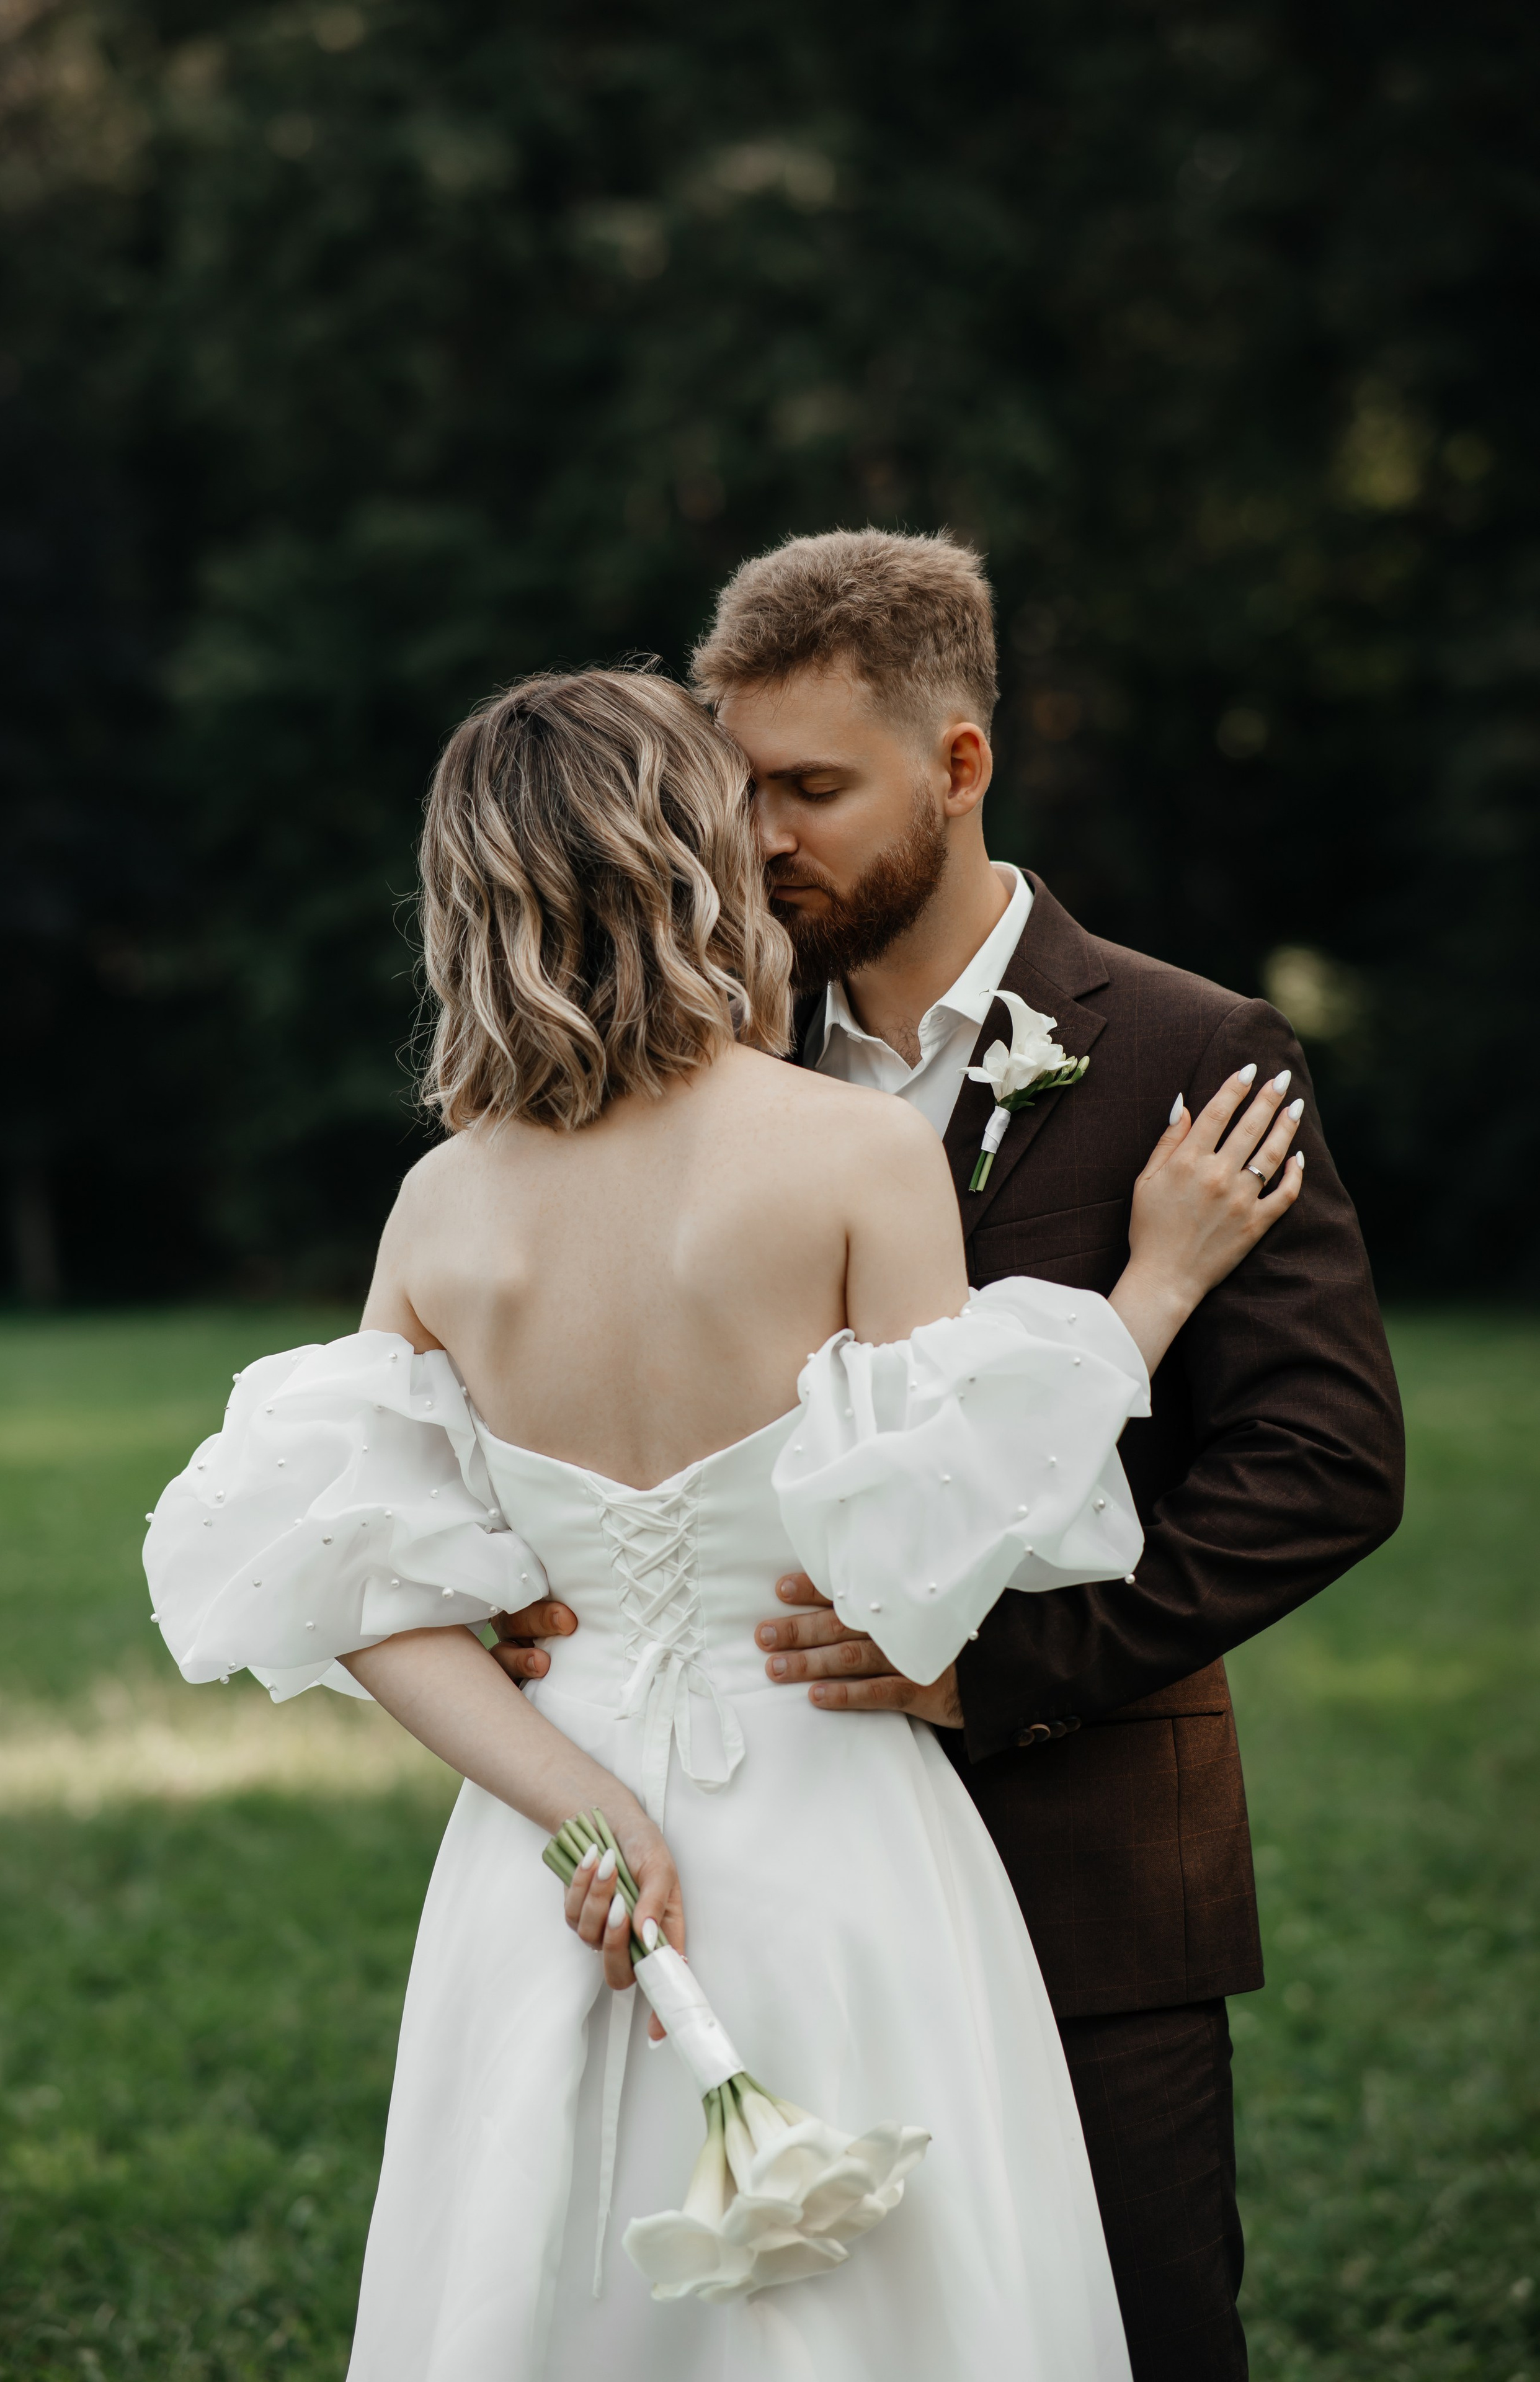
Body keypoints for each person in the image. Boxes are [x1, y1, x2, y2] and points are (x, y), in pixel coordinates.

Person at [145, 666, 1307, 2382]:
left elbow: (364, 1591)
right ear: (701, 865)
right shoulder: (851, 1157)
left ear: (467, 905)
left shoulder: (441, 1204)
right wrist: (1155, 1287)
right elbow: (950, 1537)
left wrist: (582, 1803)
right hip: (834, 1812)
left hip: (559, 1859)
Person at [491, 533, 1407, 2381]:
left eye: (810, 790)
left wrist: (1000, 1677)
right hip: (778, 1869)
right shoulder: (708, 1052)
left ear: (962, 765)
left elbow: (1323, 1459)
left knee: (1126, 2337)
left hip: (1090, 1865)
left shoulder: (1185, 1048)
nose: (756, 843)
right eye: (733, 792)